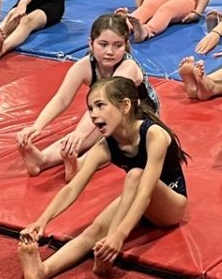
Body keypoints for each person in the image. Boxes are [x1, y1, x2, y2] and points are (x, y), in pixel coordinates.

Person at [18, 76, 187, 279]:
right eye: (90, 108)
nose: (93, 115)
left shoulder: (154, 135)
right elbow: (72, 188)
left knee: (135, 174)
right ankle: (42, 271)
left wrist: (118, 235)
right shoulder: (106, 146)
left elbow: (145, 192)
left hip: (170, 205)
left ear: (125, 106)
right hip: (136, 199)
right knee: (93, 231)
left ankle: (110, 247)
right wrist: (42, 220)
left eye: (100, 106)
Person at [19, 13, 157, 179]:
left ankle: (82, 164)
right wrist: (37, 127)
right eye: (103, 44)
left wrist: (80, 133)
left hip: (141, 118)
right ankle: (43, 159)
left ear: (126, 45)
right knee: (91, 130)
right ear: (91, 44)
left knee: (109, 134)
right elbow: (62, 99)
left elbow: (106, 101)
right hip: (109, 114)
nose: (110, 52)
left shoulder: (128, 67)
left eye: (118, 46)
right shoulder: (85, 65)